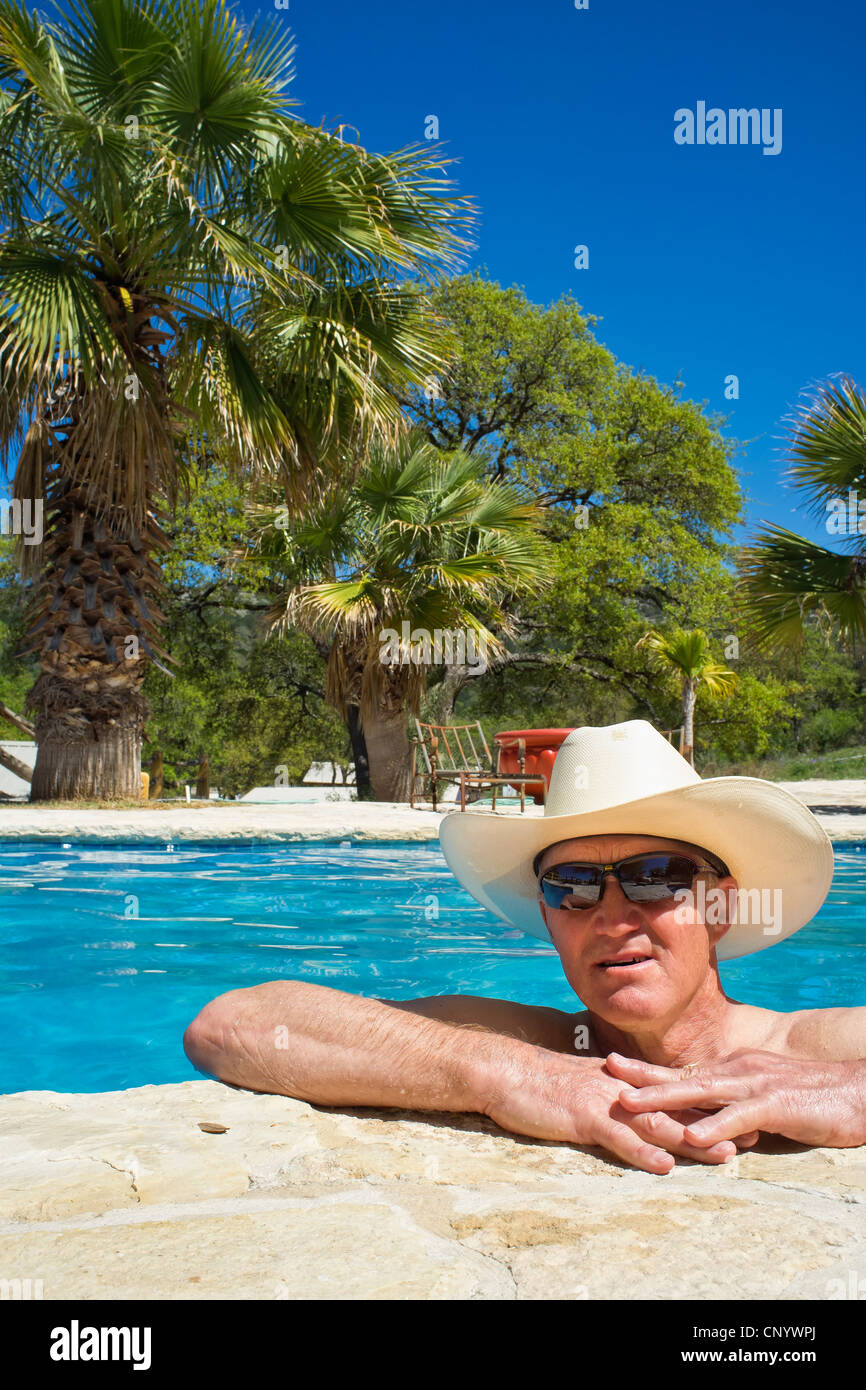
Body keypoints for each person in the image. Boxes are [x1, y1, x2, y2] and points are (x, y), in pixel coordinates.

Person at [183, 721, 866, 1174]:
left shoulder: (805, 1053)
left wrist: (854, 1090)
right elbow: (231, 1024)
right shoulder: (545, 1047)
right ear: (546, 912)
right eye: (571, 886)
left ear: (719, 904)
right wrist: (514, 1078)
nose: (610, 916)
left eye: (654, 878)